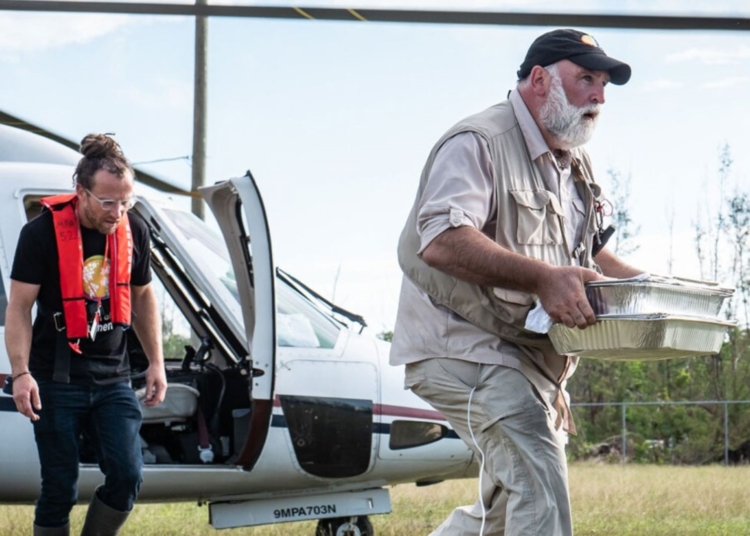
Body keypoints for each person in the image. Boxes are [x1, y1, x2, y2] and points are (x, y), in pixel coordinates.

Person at [391, 29, 643, 535]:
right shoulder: (479, 141)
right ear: (539, 79)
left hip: (528, 359)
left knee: (506, 509)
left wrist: (660, 288)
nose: (598, 96)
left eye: (603, 86)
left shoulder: (572, 161)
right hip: (464, 348)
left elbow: (586, 253)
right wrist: (544, 279)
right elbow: (440, 237)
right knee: (538, 482)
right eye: (586, 80)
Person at [5, 134, 167, 536]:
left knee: (128, 476)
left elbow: (145, 298)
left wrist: (156, 364)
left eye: (126, 201)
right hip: (56, 379)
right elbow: (19, 308)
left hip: (113, 378)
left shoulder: (136, 232)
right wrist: (21, 372)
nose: (118, 212)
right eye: (108, 202)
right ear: (80, 192)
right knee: (59, 487)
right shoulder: (40, 235)